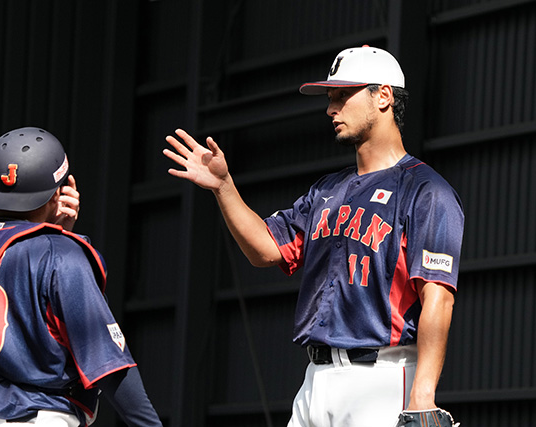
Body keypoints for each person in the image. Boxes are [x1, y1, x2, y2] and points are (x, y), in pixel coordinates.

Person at [163, 46, 463, 426]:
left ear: (383, 95)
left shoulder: (427, 190)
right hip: (315, 379)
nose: (331, 109)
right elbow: (267, 250)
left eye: (342, 95)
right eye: (330, 98)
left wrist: (422, 396)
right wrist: (223, 186)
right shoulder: (327, 190)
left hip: (382, 377)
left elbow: (438, 297)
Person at [0, 127, 162, 427]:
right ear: (58, 191)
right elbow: (109, 366)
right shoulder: (63, 254)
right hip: (38, 418)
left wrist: (56, 232)